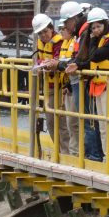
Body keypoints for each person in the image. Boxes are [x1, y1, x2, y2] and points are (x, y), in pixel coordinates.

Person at [66, 7, 109, 166]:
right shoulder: (100, 41)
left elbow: (95, 56)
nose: (96, 30)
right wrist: (78, 65)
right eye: (93, 28)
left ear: (105, 24)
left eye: (98, 26)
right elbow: (92, 62)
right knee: (103, 126)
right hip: (100, 87)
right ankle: (107, 157)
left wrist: (91, 39)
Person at [32, 13, 70, 154]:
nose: (43, 35)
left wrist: (47, 64)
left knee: (61, 122)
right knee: (50, 122)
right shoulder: (39, 44)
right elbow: (38, 59)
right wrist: (41, 64)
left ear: (51, 29)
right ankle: (58, 151)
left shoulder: (59, 42)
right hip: (48, 87)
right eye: (40, 33)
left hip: (60, 86)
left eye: (45, 31)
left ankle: (66, 153)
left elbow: (58, 59)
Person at [56, 2, 85, 156]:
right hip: (72, 84)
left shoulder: (82, 36)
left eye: (66, 24)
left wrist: (58, 65)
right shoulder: (78, 37)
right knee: (73, 122)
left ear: (74, 19)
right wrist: (68, 84)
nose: (64, 28)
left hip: (82, 84)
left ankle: (82, 154)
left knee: (81, 122)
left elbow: (80, 60)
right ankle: (75, 153)